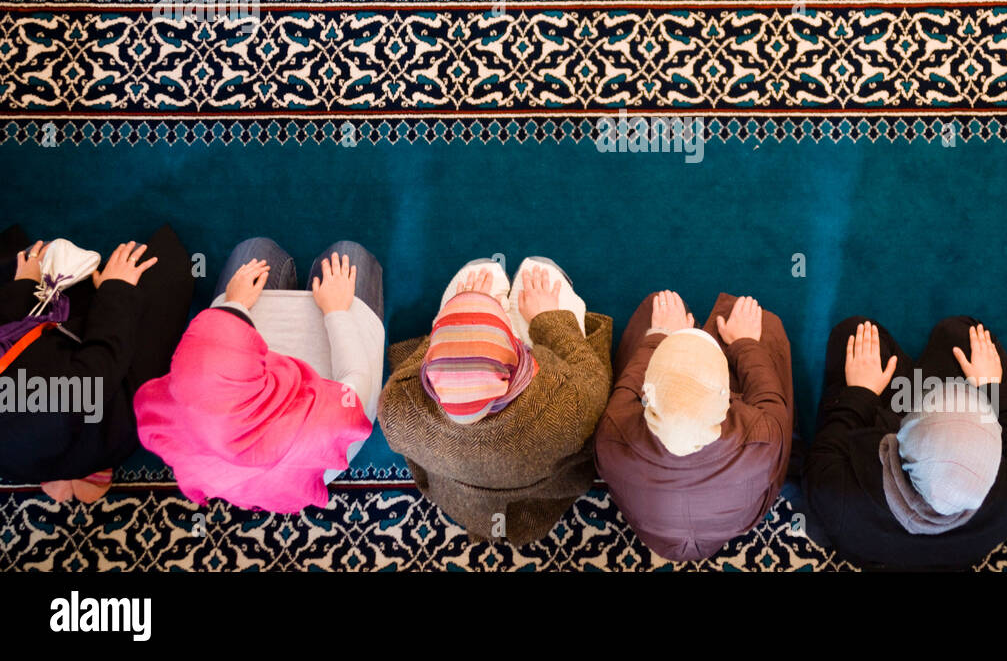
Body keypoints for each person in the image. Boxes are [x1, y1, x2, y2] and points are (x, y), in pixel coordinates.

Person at [803, 314, 1007, 569]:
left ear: (897, 435)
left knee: (855, 332)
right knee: (962, 333)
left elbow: (831, 440)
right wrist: (993, 388)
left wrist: (861, 392)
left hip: (866, 535)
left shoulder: (831, 491)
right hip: (957, 547)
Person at [134, 237, 384, 512]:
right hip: (321, 433)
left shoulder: (164, 418)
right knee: (348, 253)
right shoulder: (325, 423)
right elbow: (355, 383)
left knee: (255, 249)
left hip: (259, 473)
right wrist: (336, 309)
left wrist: (234, 304)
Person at [378, 257, 612, 546]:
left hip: (465, 503)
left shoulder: (398, 410)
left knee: (478, 278)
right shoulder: (564, 404)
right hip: (542, 496)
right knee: (539, 274)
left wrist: (456, 326)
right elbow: (594, 380)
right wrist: (547, 318)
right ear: (516, 350)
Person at [594, 290, 795, 561]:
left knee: (655, 306)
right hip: (735, 520)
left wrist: (660, 334)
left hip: (654, 531)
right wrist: (744, 343)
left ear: (647, 391)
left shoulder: (612, 434)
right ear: (727, 398)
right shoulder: (763, 438)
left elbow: (627, 388)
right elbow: (770, 397)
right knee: (759, 322)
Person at [0, 224, 194, 501]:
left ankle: (53, 464)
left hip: (28, 449)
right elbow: (97, 370)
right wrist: (117, 289)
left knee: (25, 256)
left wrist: (22, 289)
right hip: (100, 405)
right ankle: (82, 465)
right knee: (170, 262)